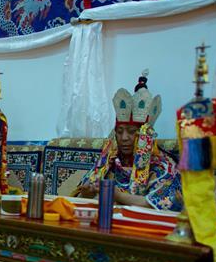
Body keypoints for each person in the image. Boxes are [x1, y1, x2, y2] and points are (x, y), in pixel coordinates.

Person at [76, 72, 182, 211]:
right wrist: (86, 192)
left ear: (145, 135)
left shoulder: (163, 166)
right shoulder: (110, 161)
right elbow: (81, 196)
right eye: (119, 132)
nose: (124, 137)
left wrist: (117, 196)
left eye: (132, 132)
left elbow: (161, 204)